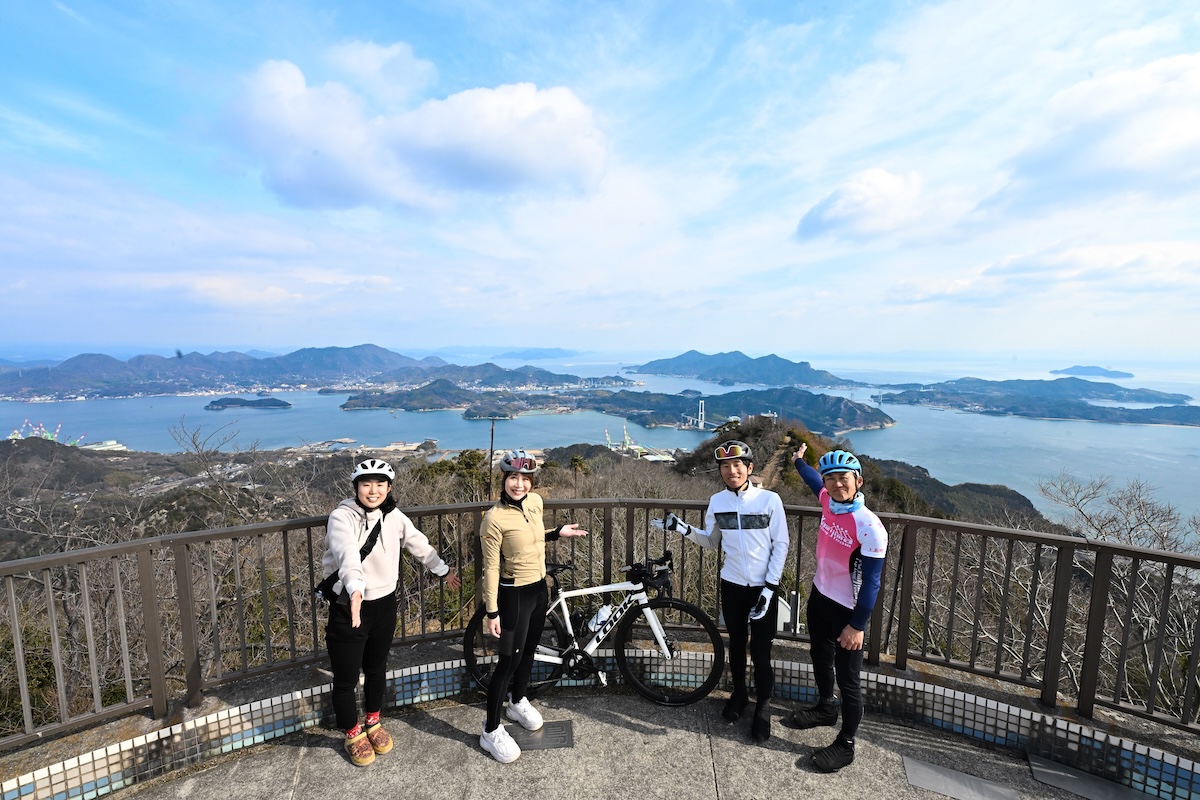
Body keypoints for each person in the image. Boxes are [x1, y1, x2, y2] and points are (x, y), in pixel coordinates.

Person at [321, 457, 461, 767]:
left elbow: (418, 544)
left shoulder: (393, 516)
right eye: (366, 484)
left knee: (376, 668)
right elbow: (346, 554)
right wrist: (356, 588)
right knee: (346, 677)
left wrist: (442, 570)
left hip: (384, 604)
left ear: (389, 487)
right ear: (356, 487)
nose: (373, 491)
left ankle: (373, 721)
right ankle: (352, 732)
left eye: (380, 484)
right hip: (350, 605)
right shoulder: (341, 517)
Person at [651, 439, 789, 743]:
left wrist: (770, 587)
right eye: (725, 466)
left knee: (761, 650)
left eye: (738, 465)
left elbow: (781, 545)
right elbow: (712, 541)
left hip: (763, 588)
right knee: (736, 644)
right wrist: (683, 529)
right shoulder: (717, 501)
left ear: (750, 468)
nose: (731, 471)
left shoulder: (770, 500)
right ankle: (739, 694)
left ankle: (764, 704)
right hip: (732, 584)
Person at [478, 449, 588, 763]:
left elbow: (534, 535)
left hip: (540, 589)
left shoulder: (536, 502)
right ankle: (490, 730)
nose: (519, 484)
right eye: (513, 477)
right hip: (513, 595)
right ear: (503, 479)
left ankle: (517, 701)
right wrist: (491, 611)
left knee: (528, 652)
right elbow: (491, 568)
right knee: (508, 663)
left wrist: (557, 533)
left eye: (525, 479)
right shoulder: (493, 519)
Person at [784, 444, 887, 773]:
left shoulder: (869, 526)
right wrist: (798, 461)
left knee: (849, 680)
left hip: (848, 611)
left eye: (844, 478)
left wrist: (857, 626)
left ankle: (847, 742)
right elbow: (812, 479)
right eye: (832, 479)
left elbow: (872, 583)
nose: (837, 483)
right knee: (819, 656)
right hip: (820, 596)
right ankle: (825, 707)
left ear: (859, 481)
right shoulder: (828, 501)